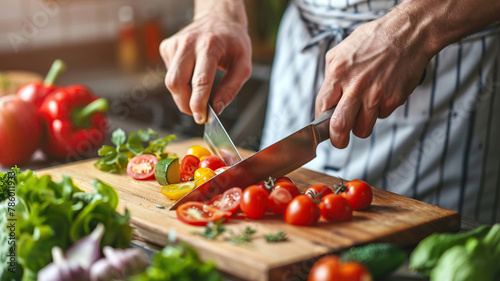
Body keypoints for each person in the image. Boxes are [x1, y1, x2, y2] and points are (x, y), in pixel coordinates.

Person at [159, 0, 500, 224]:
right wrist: (219, 11)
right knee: (289, 229)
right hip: (306, 53)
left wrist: (415, 26)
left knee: (428, 252)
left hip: (447, 61)